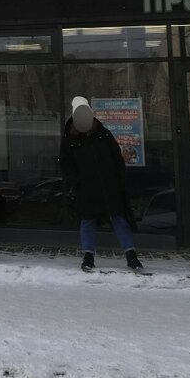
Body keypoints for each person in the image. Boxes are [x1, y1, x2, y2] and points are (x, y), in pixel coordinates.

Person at [59, 96, 143, 272]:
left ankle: (131, 255)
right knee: (87, 221)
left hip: (109, 186)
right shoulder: (70, 140)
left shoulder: (103, 134)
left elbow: (117, 158)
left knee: (118, 219)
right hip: (86, 189)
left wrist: (118, 180)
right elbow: (66, 166)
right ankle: (88, 257)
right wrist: (77, 183)